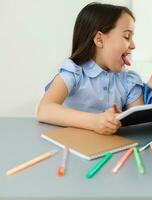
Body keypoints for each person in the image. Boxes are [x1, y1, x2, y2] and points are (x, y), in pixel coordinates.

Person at [37, 2, 143, 135]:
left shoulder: (130, 81)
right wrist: (95, 122)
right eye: (127, 37)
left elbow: (140, 126)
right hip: (72, 147)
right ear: (99, 39)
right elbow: (44, 110)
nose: (133, 45)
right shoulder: (74, 72)